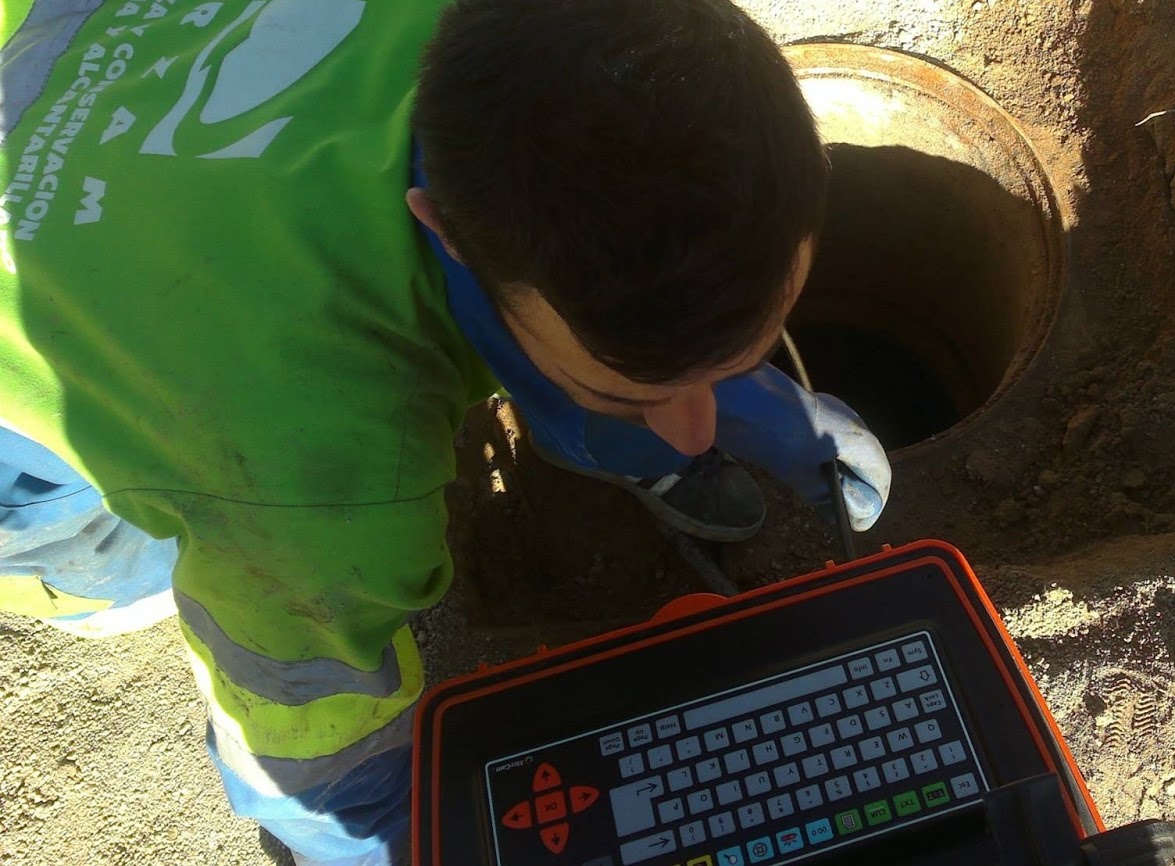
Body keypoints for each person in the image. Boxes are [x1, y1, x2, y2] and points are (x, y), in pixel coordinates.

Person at [0, 1, 891, 864]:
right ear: (447, 233)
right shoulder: (318, 469)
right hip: (31, 420)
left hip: (113, 62)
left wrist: (743, 390)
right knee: (143, 571)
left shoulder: (543, 42)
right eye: (642, 389)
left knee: (572, 349)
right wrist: (395, 836)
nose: (701, 437)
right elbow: (306, 739)